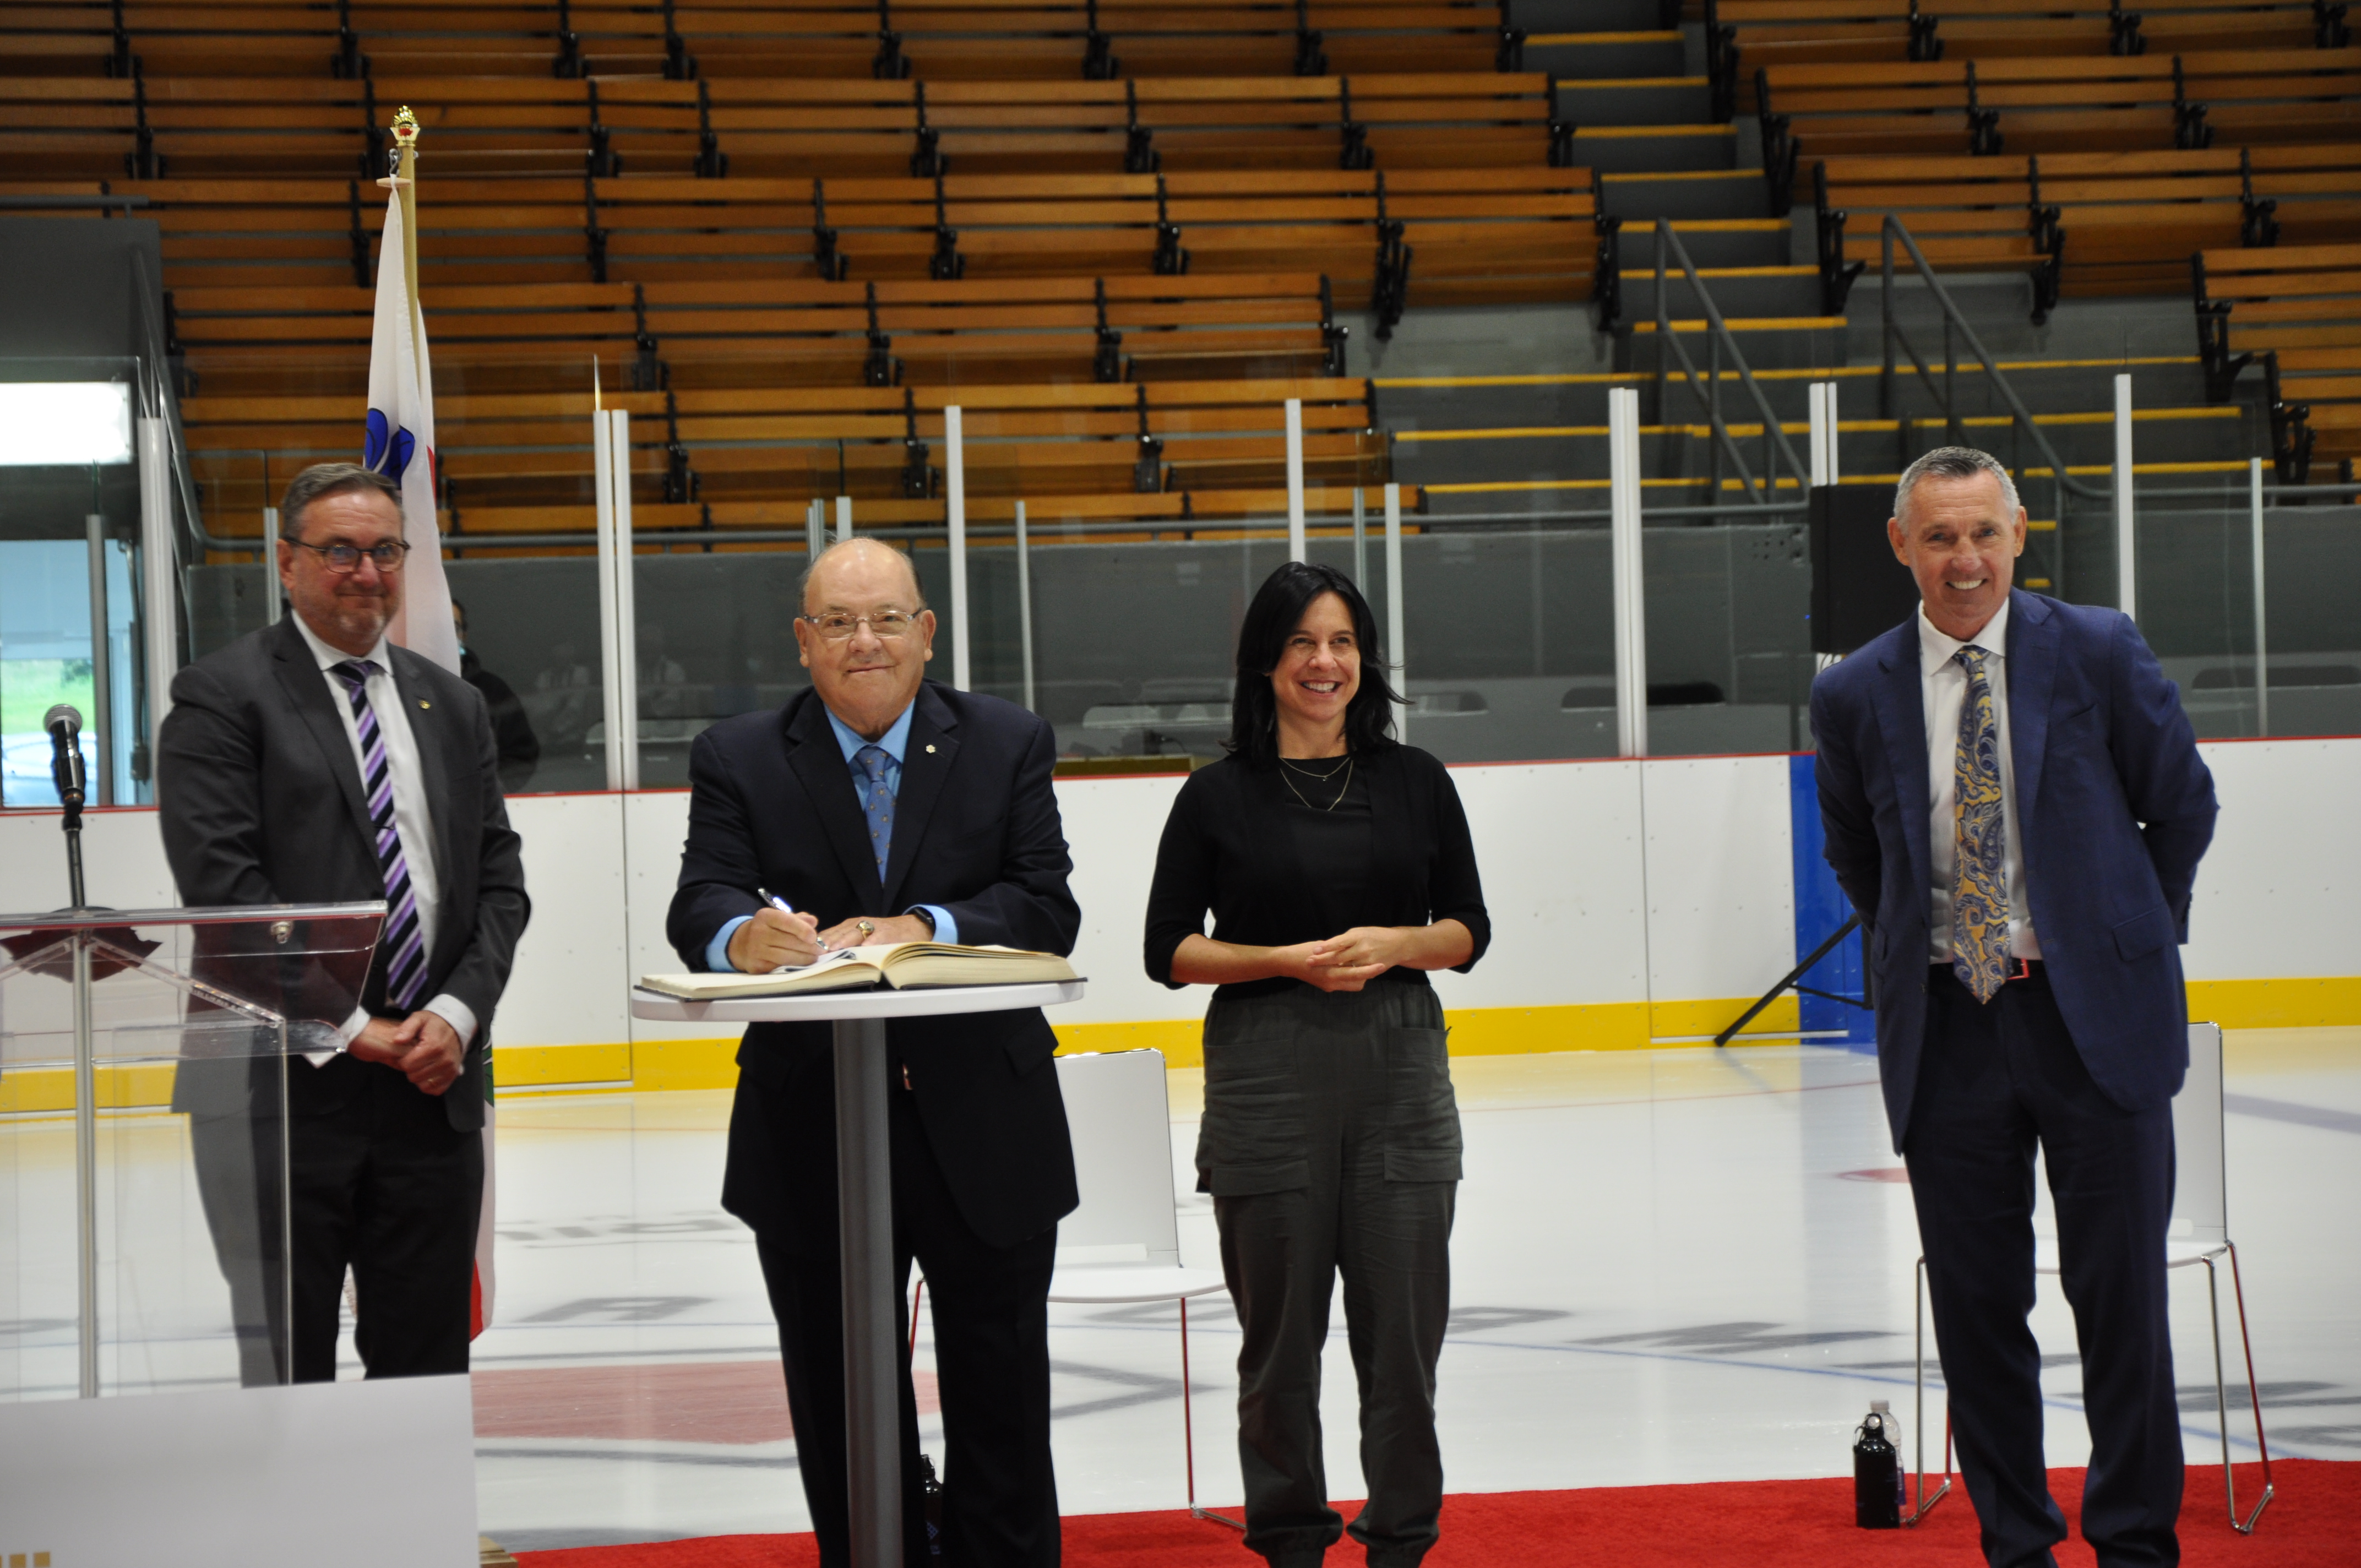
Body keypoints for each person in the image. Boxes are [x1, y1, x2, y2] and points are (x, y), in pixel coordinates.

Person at [1810, 447, 2217, 1568]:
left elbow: (2180, 806)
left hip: (2096, 1028)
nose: (1964, 559)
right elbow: (1858, 853)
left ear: (2019, 533)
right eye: (1939, 536)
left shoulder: (2096, 647)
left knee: (2120, 1304)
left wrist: (2123, 936)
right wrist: (1939, 948)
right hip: (1949, 1031)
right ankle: (2017, 1546)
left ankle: (2133, 1543)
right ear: (1899, 545)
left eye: (1982, 532)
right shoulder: (1852, 692)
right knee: (1977, 1315)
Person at [666, 537, 1080, 1568]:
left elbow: (1046, 902)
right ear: (803, 640)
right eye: (839, 622)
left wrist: (927, 926)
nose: (865, 641)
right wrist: (739, 936)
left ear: (926, 632)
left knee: (1001, 1395)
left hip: (986, 1123)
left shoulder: (1007, 740)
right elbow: (701, 897)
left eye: (887, 618)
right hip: (810, 1126)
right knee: (839, 1396)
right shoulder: (738, 755)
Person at [1142, 561, 1489, 1568]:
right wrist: (1284, 960)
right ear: (1265, 660)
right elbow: (1168, 949)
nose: (1323, 662)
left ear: (1363, 659)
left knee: (1403, 1347)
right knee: (1279, 1349)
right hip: (1264, 1067)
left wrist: (1396, 942)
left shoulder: (1417, 780)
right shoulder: (1215, 795)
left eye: (1341, 642)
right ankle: (1290, 1539)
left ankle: (1400, 1541)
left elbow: (1468, 928)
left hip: (1400, 1067)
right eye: (1301, 642)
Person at [159, 461, 530, 1382]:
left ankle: (408, 1501)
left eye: (385, 551)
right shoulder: (219, 696)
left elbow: (498, 884)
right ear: (286, 563)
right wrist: (353, 1024)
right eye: (339, 552)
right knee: (289, 1374)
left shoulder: (454, 703)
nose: (366, 572)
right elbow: (226, 893)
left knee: (424, 1369)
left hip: (430, 1085)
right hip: (281, 1091)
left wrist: (455, 1014)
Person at [452, 599, 541, 794]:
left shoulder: (493, 691)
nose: (446, 634)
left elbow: (522, 754)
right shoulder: (407, 686)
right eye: (438, 627)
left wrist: (489, 794)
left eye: (454, 627)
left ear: (464, 635)